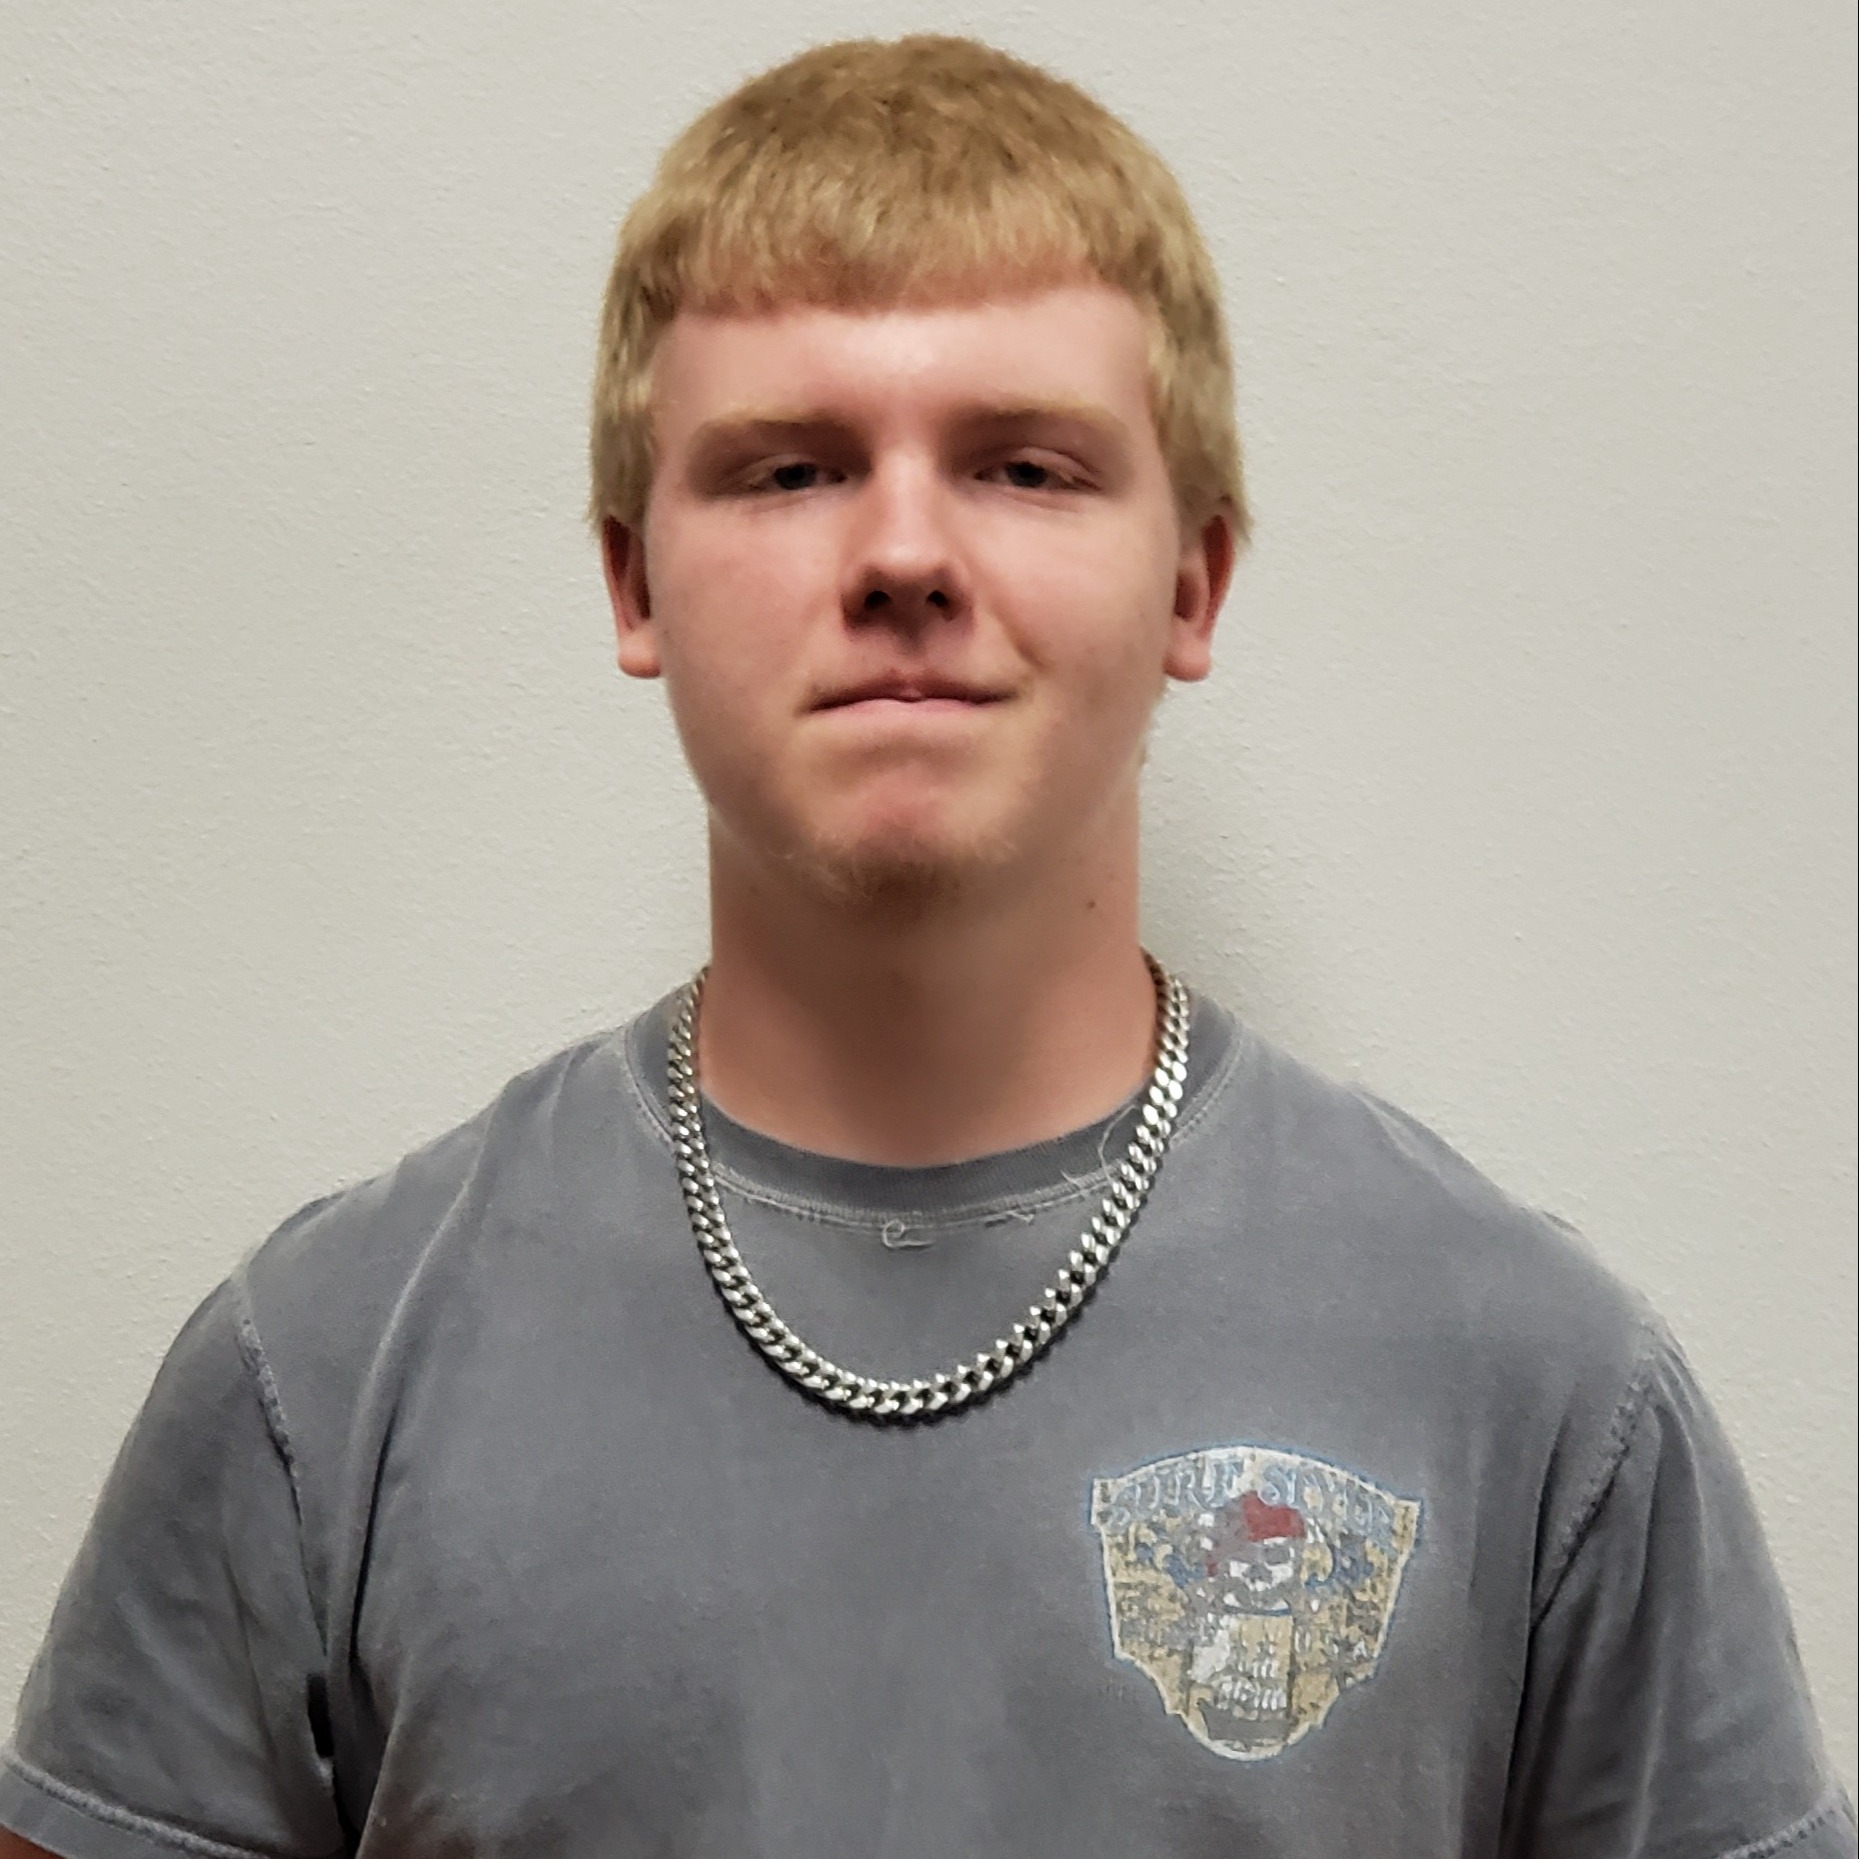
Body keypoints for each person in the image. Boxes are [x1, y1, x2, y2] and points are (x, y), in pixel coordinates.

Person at [0, 32, 1850, 1859]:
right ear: (634, 578)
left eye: (1026, 467)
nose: (902, 551)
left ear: (1193, 579)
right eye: (789, 469)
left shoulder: (1534, 1386)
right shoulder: (316, 1375)